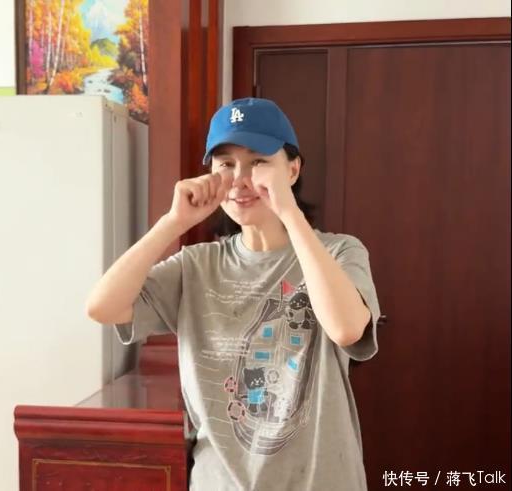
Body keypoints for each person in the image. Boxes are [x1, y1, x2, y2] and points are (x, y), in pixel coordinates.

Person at [86, 97, 381, 491]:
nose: (240, 179)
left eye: (258, 161)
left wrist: (290, 213)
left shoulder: (340, 251)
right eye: (225, 164)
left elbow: (346, 329)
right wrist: (173, 222)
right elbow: (102, 307)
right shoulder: (196, 265)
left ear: (292, 169)